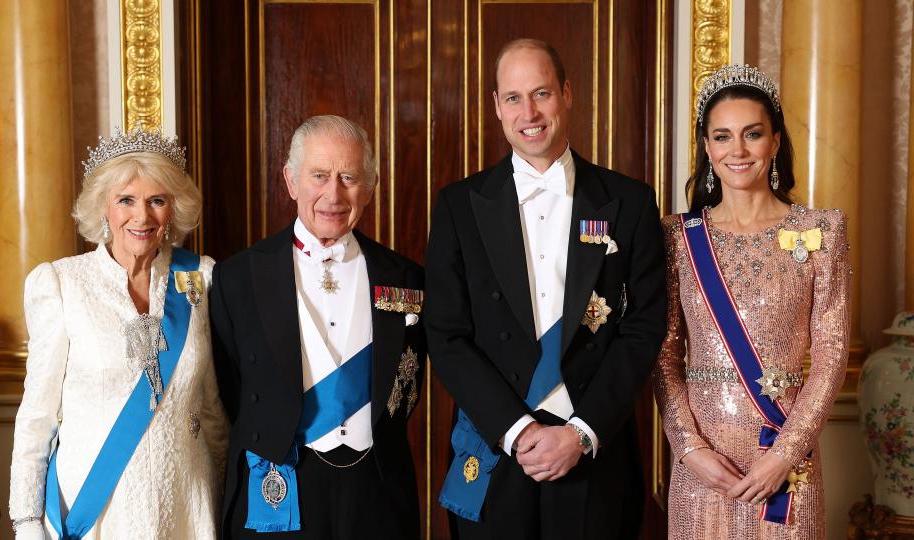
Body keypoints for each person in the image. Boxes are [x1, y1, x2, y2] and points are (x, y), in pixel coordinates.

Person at [425, 38, 667, 540]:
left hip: (593, 451)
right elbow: (446, 334)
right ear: (496, 106)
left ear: (568, 93)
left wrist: (580, 433)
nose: (529, 112)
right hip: (495, 448)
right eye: (513, 97)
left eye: (542, 93)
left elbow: (643, 331)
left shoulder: (630, 202)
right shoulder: (458, 206)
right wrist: (520, 432)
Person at [653, 64, 850, 539]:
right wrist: (689, 448)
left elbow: (831, 354)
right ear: (706, 147)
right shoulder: (678, 237)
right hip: (703, 465)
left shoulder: (821, 231)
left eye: (752, 134)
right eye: (722, 136)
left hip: (784, 459)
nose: (737, 150)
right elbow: (664, 355)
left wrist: (787, 452)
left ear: (776, 141)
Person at [210, 115, 425, 539]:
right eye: (320, 175)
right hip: (280, 483)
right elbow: (230, 392)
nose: (334, 194)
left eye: (349, 177)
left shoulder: (406, 278)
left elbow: (406, 386)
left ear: (371, 185)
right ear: (291, 181)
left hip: (377, 491)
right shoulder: (238, 278)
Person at [9, 127, 228, 539]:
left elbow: (212, 404)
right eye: (126, 200)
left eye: (156, 200)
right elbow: (37, 417)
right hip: (97, 510)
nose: (141, 217)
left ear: (173, 208)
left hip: (187, 503)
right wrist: (25, 522)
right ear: (103, 208)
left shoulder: (200, 278)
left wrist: (231, 498)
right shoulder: (62, 284)